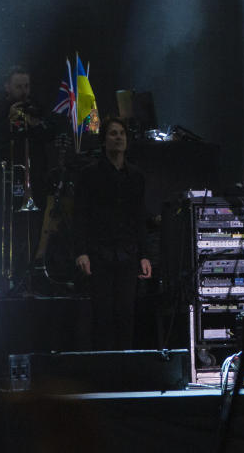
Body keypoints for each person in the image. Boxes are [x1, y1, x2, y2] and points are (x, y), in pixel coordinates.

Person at [73, 116, 152, 350]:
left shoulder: (136, 176)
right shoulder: (89, 175)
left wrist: (144, 255)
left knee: (126, 313)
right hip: (100, 252)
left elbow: (139, 217)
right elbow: (81, 216)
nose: (118, 138)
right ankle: (105, 367)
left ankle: (125, 366)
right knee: (103, 314)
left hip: (127, 252)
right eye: (113, 133)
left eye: (122, 134)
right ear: (104, 140)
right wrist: (81, 251)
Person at [0, 66, 51, 288]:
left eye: (26, 86)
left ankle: (33, 272)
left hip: (35, 178)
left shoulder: (37, 108)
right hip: (6, 181)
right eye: (19, 86)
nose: (24, 91)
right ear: (8, 87)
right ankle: (7, 274)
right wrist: (8, 122)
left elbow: (52, 132)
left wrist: (35, 124)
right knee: (8, 228)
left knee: (34, 227)